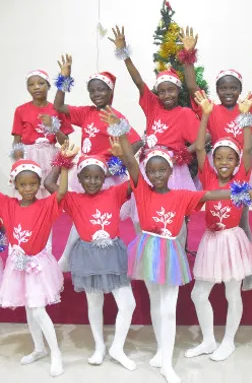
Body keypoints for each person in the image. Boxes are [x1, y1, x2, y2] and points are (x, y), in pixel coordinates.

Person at [107, 104, 252, 383]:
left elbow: (211, 195)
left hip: (169, 253)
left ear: (171, 172)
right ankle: (161, 350)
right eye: (151, 171)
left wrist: (243, 191)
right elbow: (132, 161)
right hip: (146, 250)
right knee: (157, 303)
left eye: (161, 171)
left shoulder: (181, 195)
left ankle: (168, 362)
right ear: (146, 173)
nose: (156, 175)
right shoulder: (140, 189)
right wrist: (121, 132)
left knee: (168, 308)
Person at [179, 25, 252, 291]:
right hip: (215, 167)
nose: (228, 91)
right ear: (218, 90)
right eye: (223, 87)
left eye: (233, 87)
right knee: (217, 217)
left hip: (242, 168)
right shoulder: (211, 108)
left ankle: (245, 269)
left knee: (241, 219)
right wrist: (188, 55)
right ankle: (217, 263)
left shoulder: (248, 107)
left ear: (240, 89)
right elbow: (190, 86)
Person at [44, 145, 136, 370]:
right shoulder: (73, 199)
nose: (93, 182)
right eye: (87, 177)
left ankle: (117, 347)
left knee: (128, 303)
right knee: (94, 302)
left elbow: (136, 179)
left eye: (97, 177)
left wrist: (123, 153)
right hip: (88, 256)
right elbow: (48, 184)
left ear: (104, 178)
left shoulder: (114, 193)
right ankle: (99, 346)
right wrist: (62, 160)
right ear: (80, 179)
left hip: (112, 255)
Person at [185, 91, 252, 362]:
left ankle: (228, 341)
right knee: (198, 293)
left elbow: (249, 148)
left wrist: (245, 118)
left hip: (232, 240)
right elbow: (201, 147)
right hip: (211, 239)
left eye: (230, 159)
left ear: (237, 162)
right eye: (220, 159)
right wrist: (205, 115)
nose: (224, 163)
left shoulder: (241, 176)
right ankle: (208, 340)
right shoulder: (208, 174)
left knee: (232, 291)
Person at [52, 54, 144, 276]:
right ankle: (68, 257)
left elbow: (137, 141)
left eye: (101, 90)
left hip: (105, 177)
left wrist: (117, 161)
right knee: (82, 216)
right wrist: (64, 78)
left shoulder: (115, 116)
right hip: (86, 174)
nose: (96, 94)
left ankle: (115, 259)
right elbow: (58, 105)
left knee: (100, 219)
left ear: (111, 92)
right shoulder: (85, 113)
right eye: (92, 90)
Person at [109, 25, 200, 248]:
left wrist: (183, 153)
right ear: (157, 93)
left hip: (173, 170)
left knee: (175, 214)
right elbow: (139, 82)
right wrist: (125, 55)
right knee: (144, 210)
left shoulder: (185, 113)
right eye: (162, 91)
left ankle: (178, 252)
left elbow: (202, 139)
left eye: (171, 90)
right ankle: (147, 251)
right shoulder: (152, 106)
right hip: (149, 167)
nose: (166, 95)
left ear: (179, 91)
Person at [0, 143, 78, 377]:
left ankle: (55, 353)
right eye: (23, 184)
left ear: (38, 184)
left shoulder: (46, 205)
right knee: (28, 307)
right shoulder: (8, 205)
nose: (28, 188)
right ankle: (39, 348)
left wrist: (64, 166)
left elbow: (62, 193)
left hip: (37, 265)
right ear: (15, 184)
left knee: (37, 308)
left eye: (33, 184)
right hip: (17, 264)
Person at [10, 69, 73, 199]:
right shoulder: (21, 110)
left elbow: (65, 142)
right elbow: (17, 140)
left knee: (51, 192)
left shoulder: (57, 109)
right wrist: (20, 161)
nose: (36, 87)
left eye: (41, 83)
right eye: (31, 85)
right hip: (29, 155)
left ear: (48, 85)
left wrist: (53, 126)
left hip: (50, 155)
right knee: (31, 191)